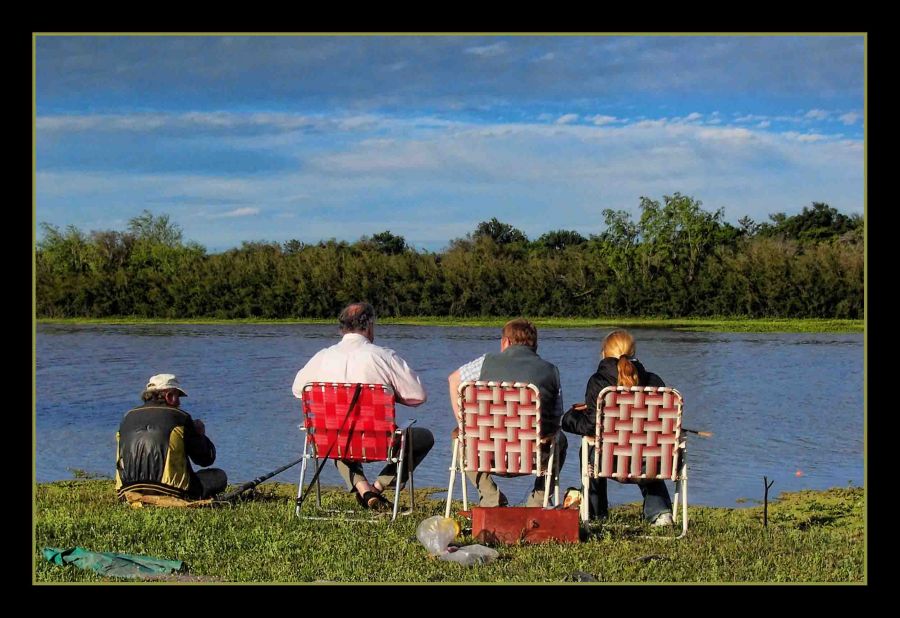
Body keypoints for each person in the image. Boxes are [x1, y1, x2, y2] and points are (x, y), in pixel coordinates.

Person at [291, 302, 433, 511]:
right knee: (424, 437)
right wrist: (388, 393)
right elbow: (418, 396)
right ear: (369, 325)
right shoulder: (383, 356)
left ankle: (364, 490)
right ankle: (377, 487)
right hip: (379, 443)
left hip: (333, 441)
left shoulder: (322, 357)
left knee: (330, 432)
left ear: (342, 327)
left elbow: (298, 390)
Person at [447, 318, 567, 507]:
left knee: (459, 439)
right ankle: (538, 500)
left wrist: (464, 424)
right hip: (531, 456)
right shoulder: (551, 370)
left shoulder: (485, 362)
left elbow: (454, 380)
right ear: (535, 344)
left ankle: (490, 496)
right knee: (561, 440)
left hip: (487, 454)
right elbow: (556, 416)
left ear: (506, 342)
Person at [561, 329, 675, 526]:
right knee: (652, 444)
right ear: (633, 352)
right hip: (649, 463)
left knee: (588, 447)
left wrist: (569, 418)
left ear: (604, 353)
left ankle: (595, 513)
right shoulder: (654, 382)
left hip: (609, 461)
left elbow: (591, 425)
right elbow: (667, 426)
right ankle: (660, 512)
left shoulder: (599, 382)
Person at [115, 373, 227, 501]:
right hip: (170, 491)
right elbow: (205, 459)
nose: (179, 402)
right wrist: (200, 434)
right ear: (169, 396)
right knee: (218, 476)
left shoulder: (127, 417)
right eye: (178, 396)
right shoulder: (180, 417)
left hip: (126, 492)